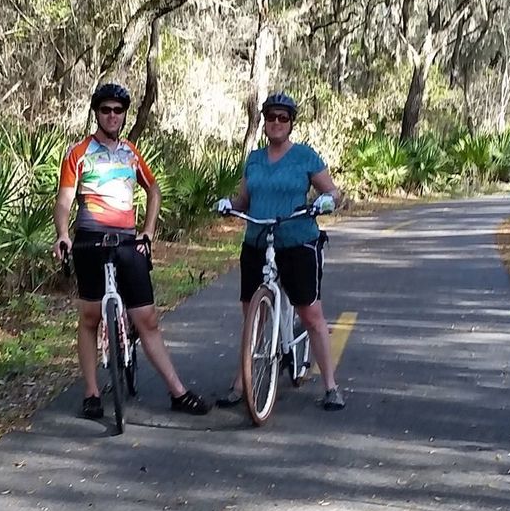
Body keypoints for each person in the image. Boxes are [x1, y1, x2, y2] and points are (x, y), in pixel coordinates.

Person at [54, 83, 211, 420]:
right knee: (90, 317)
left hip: (127, 241)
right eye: (106, 110)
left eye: (118, 110)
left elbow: (153, 189)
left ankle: (178, 392)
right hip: (90, 241)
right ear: (96, 113)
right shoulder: (78, 153)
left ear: (125, 115)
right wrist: (63, 234)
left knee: (147, 319)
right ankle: (92, 393)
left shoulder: (131, 153)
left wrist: (148, 232)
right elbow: (65, 199)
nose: (112, 116)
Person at [215, 91, 346, 411]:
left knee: (311, 314)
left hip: (297, 241)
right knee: (252, 317)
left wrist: (326, 200)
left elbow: (333, 191)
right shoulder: (254, 159)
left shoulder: (304, 156)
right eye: (270, 117)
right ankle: (241, 382)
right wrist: (228, 205)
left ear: (291, 123)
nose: (276, 122)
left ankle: (331, 386)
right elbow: (243, 201)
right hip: (257, 241)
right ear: (264, 121)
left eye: (282, 118)